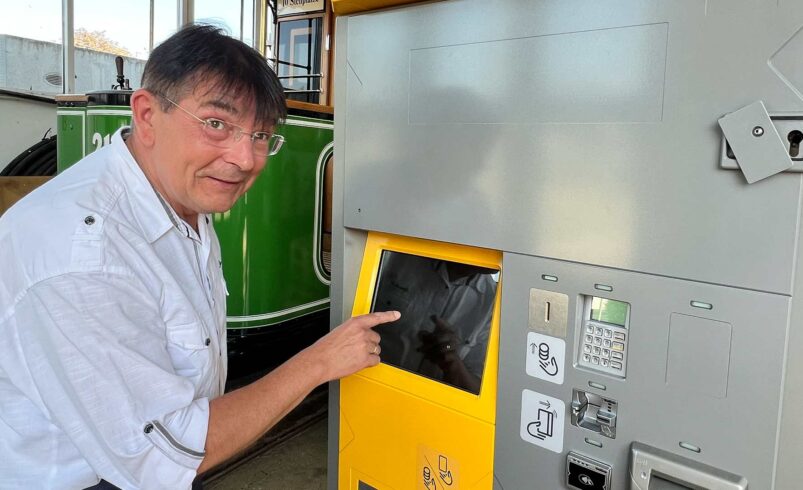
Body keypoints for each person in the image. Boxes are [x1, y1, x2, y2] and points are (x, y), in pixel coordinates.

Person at [0, 25, 398, 490]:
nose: (246, 158)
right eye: (216, 124)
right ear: (147, 115)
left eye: (262, 135)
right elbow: (164, 455)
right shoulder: (84, 256)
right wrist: (318, 362)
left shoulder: (176, 194)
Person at [371, 252, 499, 394]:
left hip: (430, 405)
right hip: (370, 381)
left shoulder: (493, 304)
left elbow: (481, 390)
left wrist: (452, 362)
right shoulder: (396, 256)